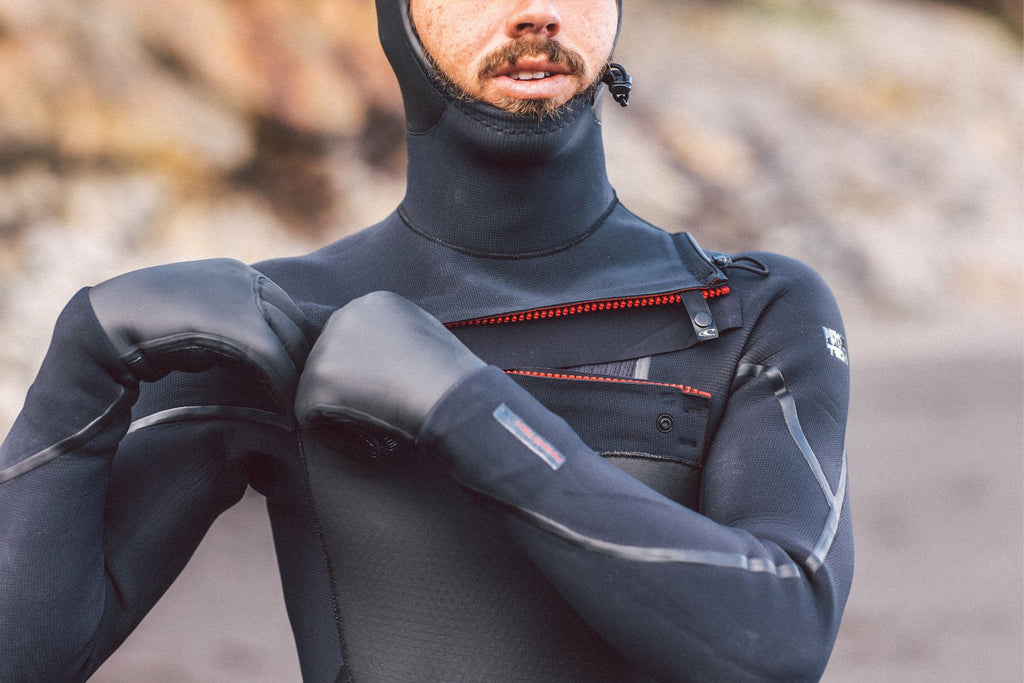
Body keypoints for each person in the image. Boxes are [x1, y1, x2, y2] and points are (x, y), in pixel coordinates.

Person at [0, 0, 853, 680]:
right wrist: (79, 371)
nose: (536, 13)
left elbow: (778, 639)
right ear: (398, 17)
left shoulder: (746, 309)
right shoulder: (277, 321)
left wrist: (470, 410)